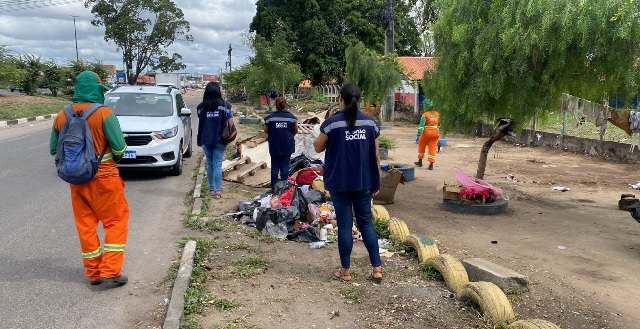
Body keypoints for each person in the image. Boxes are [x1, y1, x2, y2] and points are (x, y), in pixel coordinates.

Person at [49, 71, 129, 287]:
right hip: (105, 178)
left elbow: (53, 149)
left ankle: (93, 273)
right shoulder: (104, 113)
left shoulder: (62, 115)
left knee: (85, 225)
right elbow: (120, 148)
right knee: (115, 222)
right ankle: (110, 271)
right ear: (97, 90)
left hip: (77, 180)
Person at [313, 82, 383, 282]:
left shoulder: (332, 123)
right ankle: (377, 269)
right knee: (366, 223)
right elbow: (376, 156)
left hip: (339, 182)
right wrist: (376, 182)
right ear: (358, 99)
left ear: (340, 99)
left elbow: (317, 148)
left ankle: (345, 272)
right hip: (364, 182)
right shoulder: (371, 124)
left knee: (344, 225)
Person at [197, 81, 233, 199]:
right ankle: (217, 192)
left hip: (205, 138)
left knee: (210, 163)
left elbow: (201, 119)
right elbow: (230, 122)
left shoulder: (201, 107)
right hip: (220, 139)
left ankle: (211, 188)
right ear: (218, 92)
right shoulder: (225, 105)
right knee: (217, 164)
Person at [264, 96, 299, 190]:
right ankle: (284, 188)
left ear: (276, 105)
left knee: (274, 167)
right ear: (285, 105)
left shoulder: (270, 118)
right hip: (287, 146)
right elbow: (295, 130)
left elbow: (266, 130)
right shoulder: (291, 118)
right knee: (285, 167)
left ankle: (274, 188)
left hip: (274, 145)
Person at [414, 98, 440, 170]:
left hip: (426, 132)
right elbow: (439, 124)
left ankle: (420, 161)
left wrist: (418, 134)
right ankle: (431, 164)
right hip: (435, 132)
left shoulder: (425, 114)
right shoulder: (437, 114)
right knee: (432, 148)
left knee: (421, 146)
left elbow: (421, 126)